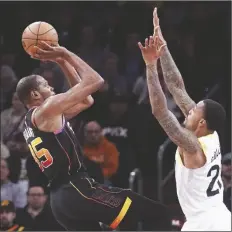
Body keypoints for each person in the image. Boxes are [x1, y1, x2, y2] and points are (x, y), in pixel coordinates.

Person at [16, 42, 171, 231]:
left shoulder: (32, 122)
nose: (52, 88)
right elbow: (96, 81)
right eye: (46, 85)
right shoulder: (46, 108)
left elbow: (86, 100)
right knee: (157, 214)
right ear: (34, 94)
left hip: (60, 201)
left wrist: (63, 63)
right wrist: (66, 53)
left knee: (129, 219)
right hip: (76, 188)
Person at [138, 8, 231, 231]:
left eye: (195, 109)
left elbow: (160, 112)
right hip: (219, 216)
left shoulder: (193, 146)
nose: (189, 108)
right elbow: (177, 87)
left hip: (206, 224)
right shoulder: (210, 133)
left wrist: (151, 66)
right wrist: (163, 48)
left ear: (201, 123)